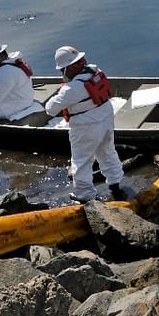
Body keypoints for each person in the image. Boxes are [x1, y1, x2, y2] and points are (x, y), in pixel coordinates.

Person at [44, 46, 126, 203]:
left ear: (69, 68)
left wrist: (61, 92)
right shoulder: (95, 72)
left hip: (86, 126)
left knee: (81, 161)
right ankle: (115, 184)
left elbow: (50, 109)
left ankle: (84, 195)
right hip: (106, 117)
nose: (62, 73)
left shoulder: (71, 89)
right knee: (107, 151)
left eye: (63, 70)